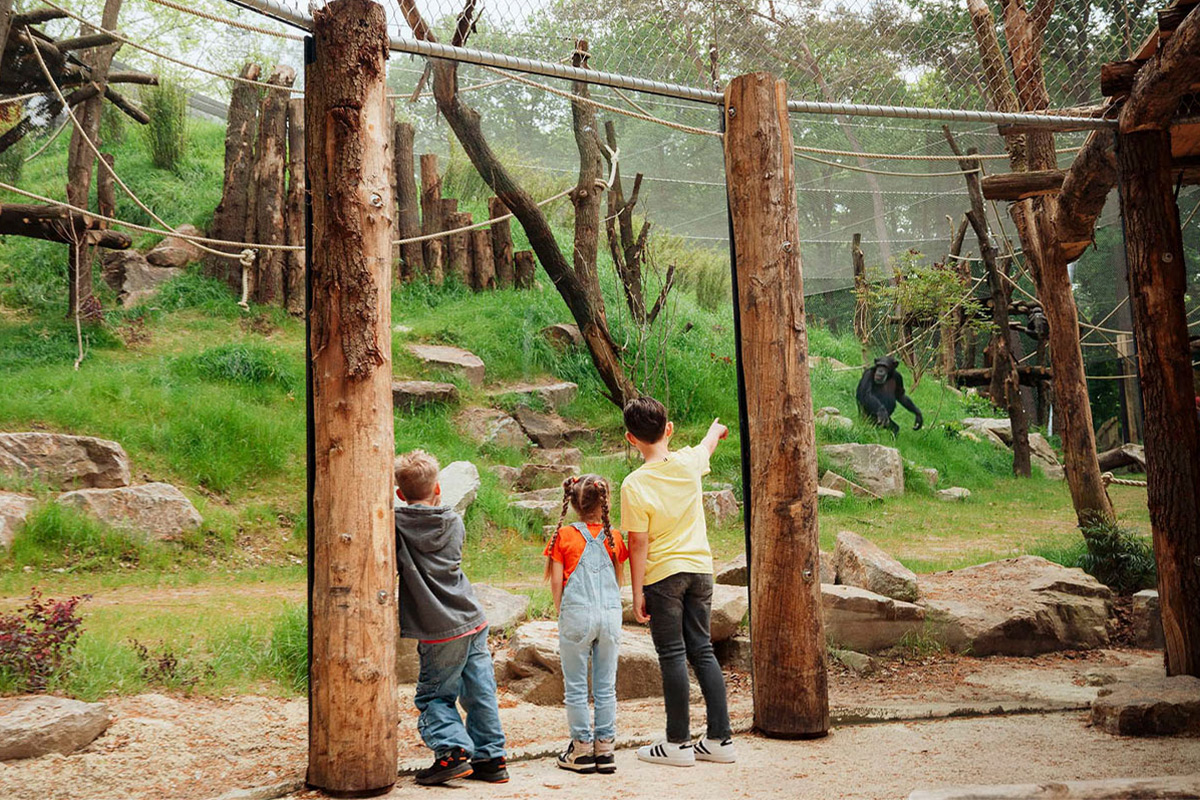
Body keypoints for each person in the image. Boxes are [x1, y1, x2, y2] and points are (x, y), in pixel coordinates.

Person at [620, 397, 736, 767]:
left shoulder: (633, 484)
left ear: (630, 439)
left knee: (671, 654)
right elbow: (707, 446)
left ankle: (677, 743)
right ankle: (720, 739)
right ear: (668, 430)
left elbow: (637, 542)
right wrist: (715, 429)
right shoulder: (688, 463)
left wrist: (637, 591)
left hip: (663, 577)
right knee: (702, 650)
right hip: (701, 569)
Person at [394, 449, 508, 786]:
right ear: (438, 488)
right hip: (473, 618)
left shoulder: (396, 525)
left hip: (438, 628)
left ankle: (452, 752)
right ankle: (492, 757)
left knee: (434, 695)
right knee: (480, 690)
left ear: (400, 494)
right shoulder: (454, 521)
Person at [543, 475, 629, 775]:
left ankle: (581, 750)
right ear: (604, 500)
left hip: (576, 615)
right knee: (606, 688)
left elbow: (556, 582)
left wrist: (561, 611)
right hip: (609, 615)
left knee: (577, 688)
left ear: (575, 503)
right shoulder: (614, 536)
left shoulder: (563, 535)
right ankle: (605, 749)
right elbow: (618, 580)